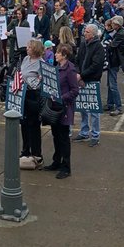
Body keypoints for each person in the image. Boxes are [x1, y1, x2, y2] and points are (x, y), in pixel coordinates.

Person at [46, 43, 80, 179]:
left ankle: (66, 167)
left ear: (64, 55)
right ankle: (56, 161)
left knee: (64, 137)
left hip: (64, 108)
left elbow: (75, 90)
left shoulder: (70, 70)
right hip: (55, 107)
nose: (55, 54)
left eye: (58, 53)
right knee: (55, 134)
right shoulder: (57, 67)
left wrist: (61, 98)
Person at [74, 23, 104, 146]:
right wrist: (77, 73)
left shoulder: (98, 47)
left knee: (94, 110)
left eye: (86, 32)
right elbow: (77, 60)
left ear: (92, 34)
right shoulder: (83, 44)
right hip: (81, 79)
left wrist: (82, 75)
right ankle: (84, 132)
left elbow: (96, 65)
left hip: (92, 80)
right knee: (83, 108)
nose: (84, 33)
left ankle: (95, 135)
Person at [19, 38, 45, 167]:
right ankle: (25, 150)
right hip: (24, 94)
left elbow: (43, 81)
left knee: (33, 125)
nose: (27, 49)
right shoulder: (25, 59)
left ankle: (36, 153)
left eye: (29, 47)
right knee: (23, 123)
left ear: (35, 49)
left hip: (34, 95)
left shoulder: (41, 63)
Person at [105, 17, 124, 114]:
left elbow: (112, 45)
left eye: (114, 24)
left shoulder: (120, 34)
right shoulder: (120, 31)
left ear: (117, 25)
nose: (112, 25)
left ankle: (118, 107)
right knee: (110, 83)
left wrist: (109, 43)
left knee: (113, 84)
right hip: (114, 60)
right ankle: (110, 104)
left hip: (115, 61)